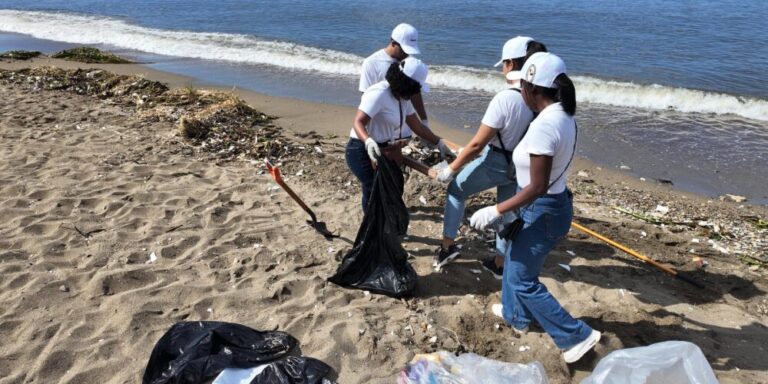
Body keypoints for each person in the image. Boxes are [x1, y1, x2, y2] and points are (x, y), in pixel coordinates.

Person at [468, 52, 601, 363]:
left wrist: (496, 210)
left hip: (542, 208)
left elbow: (537, 186)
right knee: (514, 259)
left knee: (522, 279)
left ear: (532, 88)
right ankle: (515, 314)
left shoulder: (545, 125)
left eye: (522, 86)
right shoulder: (563, 116)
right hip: (546, 204)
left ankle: (576, 336)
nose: (520, 91)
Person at [433, 37, 546, 270]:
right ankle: (500, 263)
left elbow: (477, 144)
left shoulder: (505, 98)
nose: (503, 69)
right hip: (521, 166)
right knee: (506, 210)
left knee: (456, 190)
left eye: (504, 64)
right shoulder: (539, 98)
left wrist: (451, 169)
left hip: (496, 161)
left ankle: (447, 247)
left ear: (511, 64)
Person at [347, 57, 450, 210]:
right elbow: (358, 122)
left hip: (385, 149)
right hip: (361, 149)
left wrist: (438, 142)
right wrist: (368, 141)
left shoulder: (403, 99)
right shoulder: (379, 93)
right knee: (375, 191)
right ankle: (373, 223)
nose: (416, 92)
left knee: (392, 187)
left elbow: (417, 126)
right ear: (406, 83)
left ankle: (381, 220)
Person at [359, 23, 429, 138]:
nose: (407, 54)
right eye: (404, 50)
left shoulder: (409, 63)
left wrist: (424, 120)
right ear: (393, 43)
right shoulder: (371, 63)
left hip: (406, 131)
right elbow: (366, 100)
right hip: (383, 134)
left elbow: (415, 92)